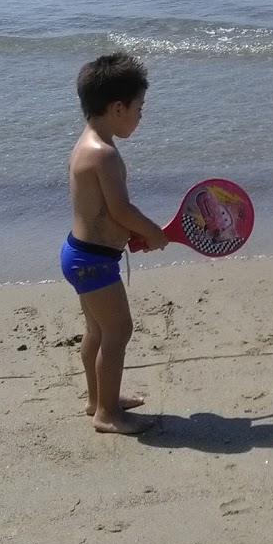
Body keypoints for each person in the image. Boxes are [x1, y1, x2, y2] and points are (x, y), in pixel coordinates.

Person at [61, 53, 168, 434]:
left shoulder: (88, 144)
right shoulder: (103, 154)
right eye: (139, 107)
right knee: (118, 331)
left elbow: (105, 213)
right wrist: (153, 231)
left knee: (97, 332)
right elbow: (121, 209)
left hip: (82, 254)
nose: (141, 115)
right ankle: (108, 414)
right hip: (94, 261)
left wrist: (131, 233)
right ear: (117, 107)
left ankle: (97, 399)